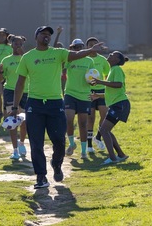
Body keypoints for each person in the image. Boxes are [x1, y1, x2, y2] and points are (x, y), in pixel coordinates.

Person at [10, 26, 104, 189]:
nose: (46, 36)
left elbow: (75, 55)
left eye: (49, 35)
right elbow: (20, 83)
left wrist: (89, 50)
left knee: (59, 141)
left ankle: (56, 163)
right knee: (36, 143)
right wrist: (14, 106)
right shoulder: (28, 57)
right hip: (35, 104)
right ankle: (41, 176)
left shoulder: (57, 53)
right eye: (43, 34)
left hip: (55, 104)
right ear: (36, 36)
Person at [90, 51, 130, 165]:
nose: (110, 55)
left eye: (113, 55)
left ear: (117, 60)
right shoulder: (113, 70)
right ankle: (121, 155)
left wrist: (99, 81)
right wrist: (98, 95)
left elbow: (118, 84)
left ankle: (112, 158)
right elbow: (111, 91)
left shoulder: (116, 69)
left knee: (103, 130)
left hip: (119, 105)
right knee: (105, 129)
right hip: (117, 104)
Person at [0, 34, 28, 160]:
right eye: (16, 44)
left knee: (25, 120)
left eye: (21, 44)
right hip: (10, 91)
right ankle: (14, 150)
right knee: (12, 120)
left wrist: (23, 54)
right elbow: (0, 79)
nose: (18, 46)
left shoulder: (26, 58)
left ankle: (22, 143)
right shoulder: (6, 60)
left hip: (26, 91)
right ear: (11, 45)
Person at [64, 39, 94, 160]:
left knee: (83, 123)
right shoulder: (69, 59)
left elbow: (92, 76)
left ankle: (83, 151)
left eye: (80, 47)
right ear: (72, 48)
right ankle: (71, 143)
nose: (78, 49)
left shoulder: (89, 60)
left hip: (84, 95)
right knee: (68, 119)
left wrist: (92, 82)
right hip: (70, 93)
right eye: (75, 47)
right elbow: (60, 67)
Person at [85, 37, 110, 153]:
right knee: (90, 118)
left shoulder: (103, 60)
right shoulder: (84, 59)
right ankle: (89, 145)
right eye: (91, 44)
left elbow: (106, 75)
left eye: (95, 44)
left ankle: (98, 137)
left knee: (104, 116)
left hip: (101, 91)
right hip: (88, 92)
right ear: (87, 46)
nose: (93, 46)